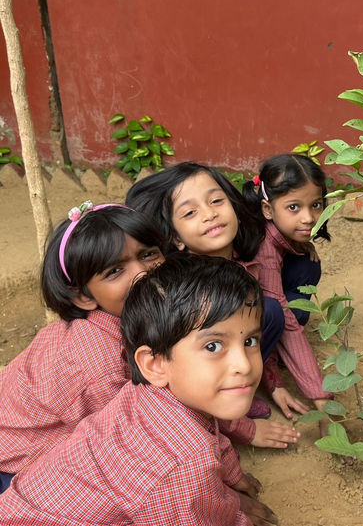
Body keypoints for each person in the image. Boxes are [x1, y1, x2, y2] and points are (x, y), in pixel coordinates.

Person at [0, 254, 278, 526]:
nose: (244, 364)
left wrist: (232, 476)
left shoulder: (154, 395)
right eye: (213, 346)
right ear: (154, 364)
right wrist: (234, 515)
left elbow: (212, 430)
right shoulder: (182, 465)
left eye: (250, 341)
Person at [126, 162, 301, 445]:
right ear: (176, 238)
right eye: (190, 212)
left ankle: (236, 387)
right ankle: (225, 408)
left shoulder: (244, 260)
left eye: (216, 201)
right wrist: (245, 429)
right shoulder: (180, 295)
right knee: (267, 312)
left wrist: (273, 382)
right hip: (191, 384)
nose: (209, 214)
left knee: (275, 305)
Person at [0, 202, 165, 493]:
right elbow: (129, 442)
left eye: (148, 254)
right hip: (15, 466)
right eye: (115, 271)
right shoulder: (101, 367)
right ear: (83, 297)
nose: (143, 273)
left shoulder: (127, 319)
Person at [241, 154, 332, 422]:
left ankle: (274, 349)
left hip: (262, 302)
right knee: (276, 313)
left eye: (316, 205)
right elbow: (285, 319)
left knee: (306, 266)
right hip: (237, 320)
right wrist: (320, 397)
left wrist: (300, 245)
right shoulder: (263, 249)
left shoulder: (277, 231)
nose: (309, 218)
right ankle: (251, 374)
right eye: (294, 207)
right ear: (267, 210)